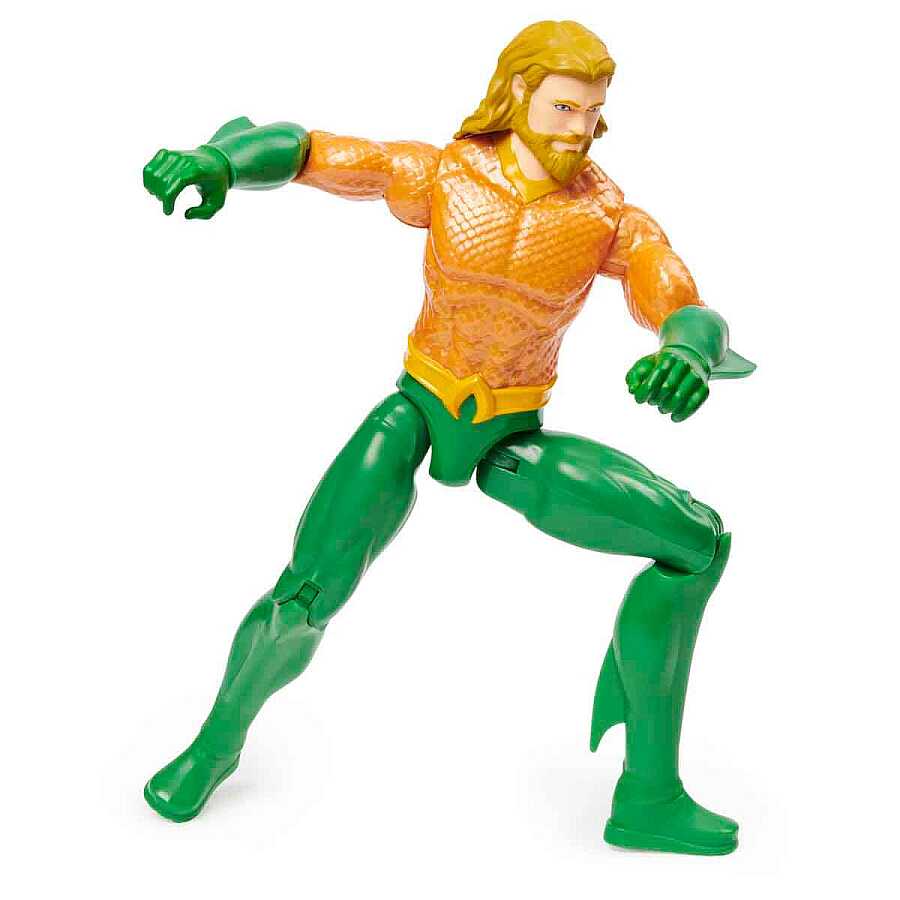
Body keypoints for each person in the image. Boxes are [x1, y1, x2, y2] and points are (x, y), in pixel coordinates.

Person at [141, 20, 754, 855]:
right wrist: (221, 160)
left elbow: (678, 296)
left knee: (696, 543)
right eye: (563, 107)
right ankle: (215, 745)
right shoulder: (446, 175)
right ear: (517, 94)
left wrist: (684, 350)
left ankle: (649, 794)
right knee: (307, 590)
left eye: (592, 110)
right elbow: (317, 152)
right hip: (417, 412)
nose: (579, 128)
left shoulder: (608, 218)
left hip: (513, 440)